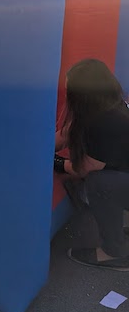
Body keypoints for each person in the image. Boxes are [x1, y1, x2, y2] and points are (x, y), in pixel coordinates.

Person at [54, 58, 129, 270]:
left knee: (99, 184)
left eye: (71, 92)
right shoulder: (103, 105)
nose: (67, 95)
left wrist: (55, 162)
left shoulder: (108, 122)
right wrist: (36, 148)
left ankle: (114, 252)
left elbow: (84, 168)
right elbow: (65, 134)